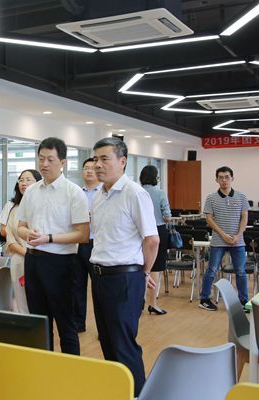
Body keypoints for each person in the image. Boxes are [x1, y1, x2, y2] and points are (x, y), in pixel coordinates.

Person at [89, 137, 159, 397]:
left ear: (122, 161)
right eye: (95, 159)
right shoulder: (99, 195)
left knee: (124, 345)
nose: (97, 164)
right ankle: (119, 392)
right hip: (100, 277)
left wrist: (144, 273)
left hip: (124, 279)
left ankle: (138, 394)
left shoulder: (134, 193)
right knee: (107, 341)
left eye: (104, 159)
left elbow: (151, 239)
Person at [17, 137, 89, 354]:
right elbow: (20, 227)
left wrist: (48, 238)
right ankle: (43, 366)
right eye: (41, 159)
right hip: (32, 260)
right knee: (39, 322)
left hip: (61, 263)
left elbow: (83, 234)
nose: (44, 164)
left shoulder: (73, 192)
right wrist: (28, 234)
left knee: (66, 322)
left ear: (63, 162)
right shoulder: (31, 191)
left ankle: (70, 368)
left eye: (50, 159)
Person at [199, 166, 248, 311]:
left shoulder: (241, 197)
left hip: (237, 241)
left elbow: (244, 218)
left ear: (232, 178)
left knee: (241, 271)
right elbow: (209, 219)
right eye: (221, 177)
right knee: (211, 270)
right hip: (218, 240)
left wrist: (238, 235)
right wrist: (223, 235)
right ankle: (204, 299)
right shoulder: (211, 198)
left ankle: (243, 301)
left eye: (227, 177)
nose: (224, 180)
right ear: (216, 180)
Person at [5, 169, 42, 313]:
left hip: (40, 259)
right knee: (21, 299)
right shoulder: (14, 209)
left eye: (28, 180)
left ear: (38, 183)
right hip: (19, 261)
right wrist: (26, 253)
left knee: (38, 299)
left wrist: (32, 255)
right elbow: (9, 236)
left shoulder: (41, 207)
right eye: (21, 180)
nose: (24, 183)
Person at [74, 158, 103, 332]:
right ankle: (78, 323)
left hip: (97, 243)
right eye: (86, 168)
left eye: (92, 168)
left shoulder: (104, 192)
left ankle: (102, 328)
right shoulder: (77, 193)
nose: (89, 171)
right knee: (77, 285)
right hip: (78, 243)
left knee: (99, 288)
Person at [140, 165, 171, 315]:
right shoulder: (160, 193)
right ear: (155, 177)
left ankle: (138, 301)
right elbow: (167, 216)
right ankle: (152, 304)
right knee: (154, 268)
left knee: (139, 266)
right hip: (157, 231)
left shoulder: (137, 191)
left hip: (139, 232)